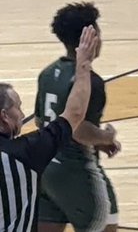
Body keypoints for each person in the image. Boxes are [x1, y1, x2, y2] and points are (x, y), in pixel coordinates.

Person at [0, 26, 99, 232]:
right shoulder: (26, 153)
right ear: (4, 117)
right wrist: (83, 66)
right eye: (17, 106)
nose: (21, 112)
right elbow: (75, 113)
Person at [35, 3, 120, 232]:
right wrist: (105, 137)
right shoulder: (90, 82)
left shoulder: (47, 74)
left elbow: (41, 120)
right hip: (77, 172)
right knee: (106, 224)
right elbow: (78, 130)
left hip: (45, 169)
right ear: (89, 36)